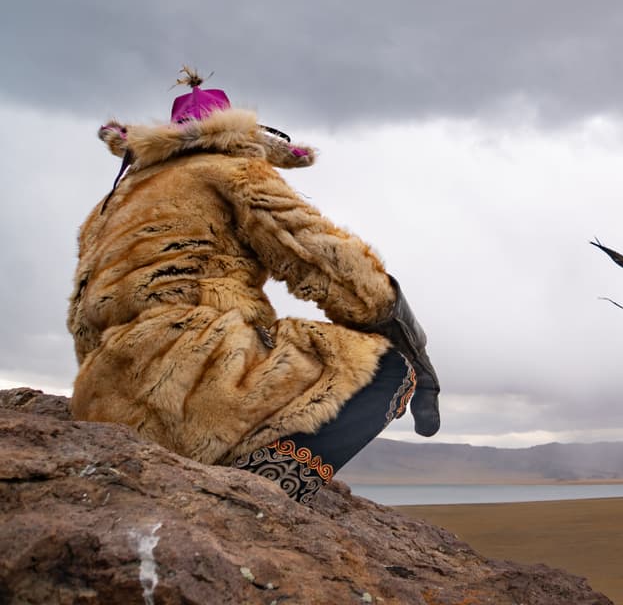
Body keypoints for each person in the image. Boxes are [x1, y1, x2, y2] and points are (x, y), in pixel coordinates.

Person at [67, 68, 440, 505]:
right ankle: (260, 494)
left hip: (103, 403)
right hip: (196, 394)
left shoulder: (110, 205)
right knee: (389, 372)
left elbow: (83, 321)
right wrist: (411, 341)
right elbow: (321, 259)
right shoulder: (232, 170)